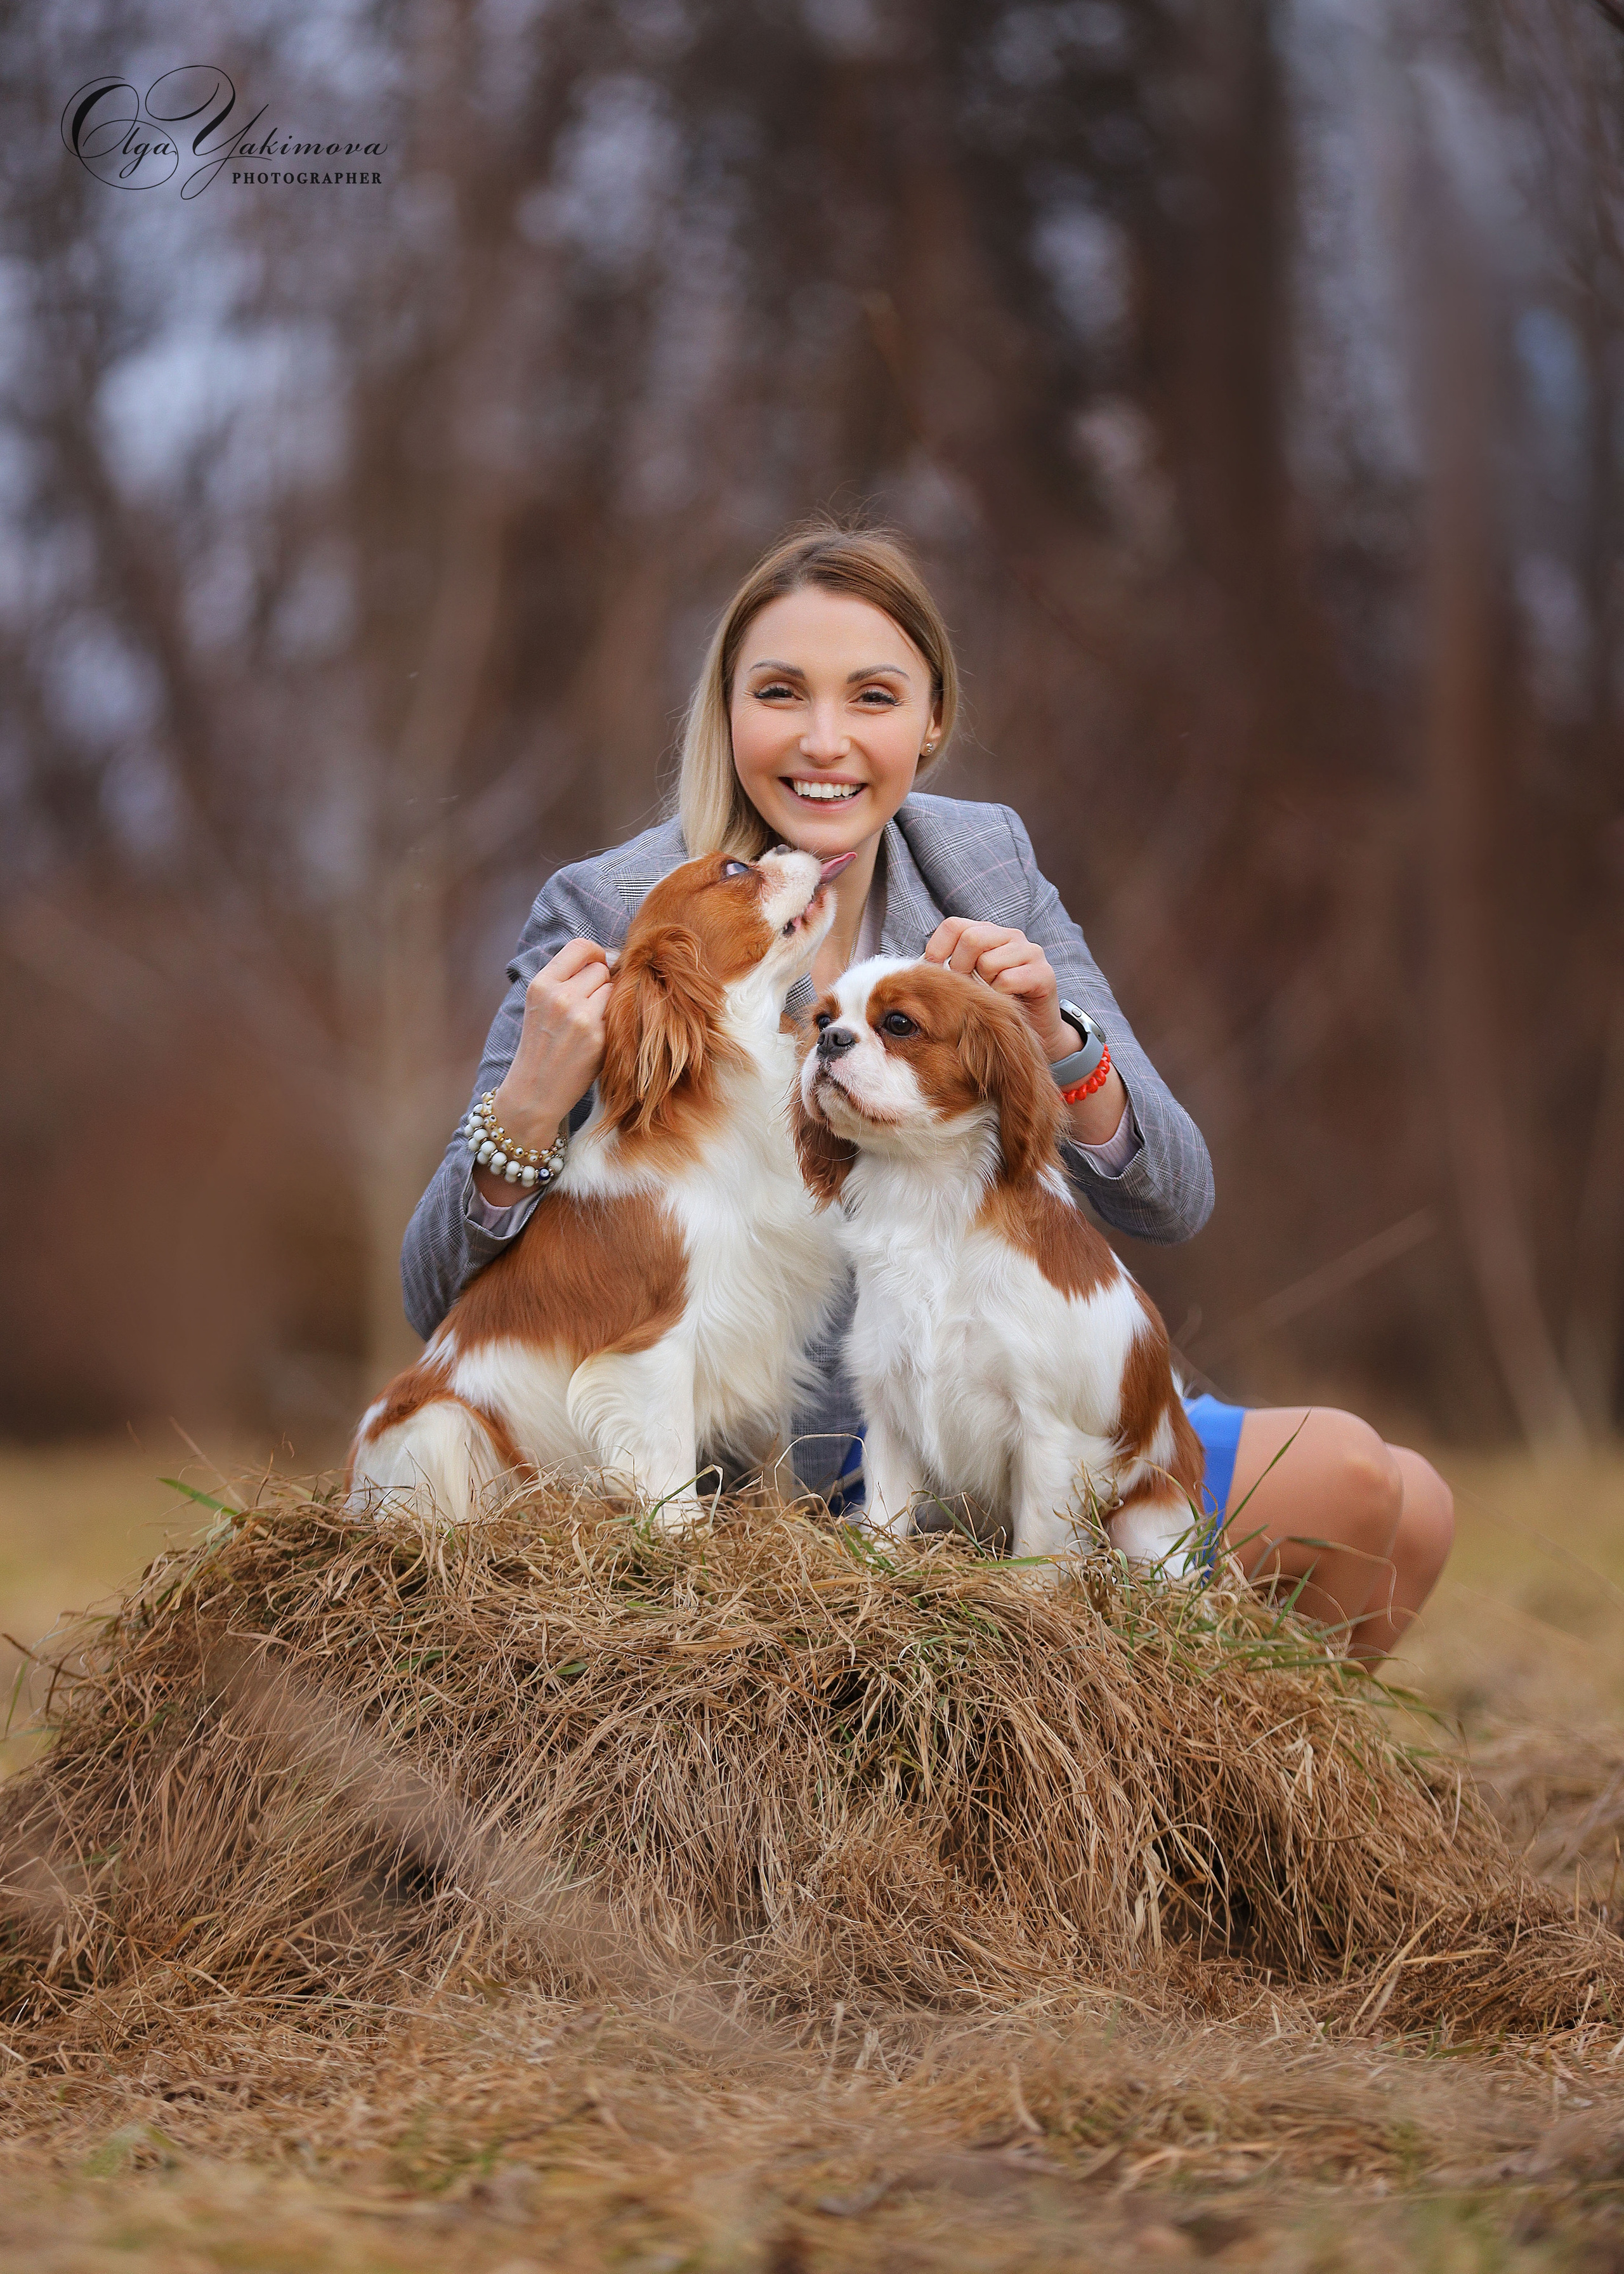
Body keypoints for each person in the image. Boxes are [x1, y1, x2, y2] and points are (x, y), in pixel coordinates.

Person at [402, 522, 1453, 1665]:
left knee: (1418, 1508)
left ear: (932, 719)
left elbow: (1173, 1198)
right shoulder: (619, 909)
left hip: (1013, 1405)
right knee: (1352, 1478)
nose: (826, 741)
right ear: (726, 712)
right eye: (780, 693)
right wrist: (525, 1110)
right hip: (817, 1478)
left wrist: (1058, 1040)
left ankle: (1191, 1765)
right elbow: (433, 1294)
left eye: (874, 696)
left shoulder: (982, 865)